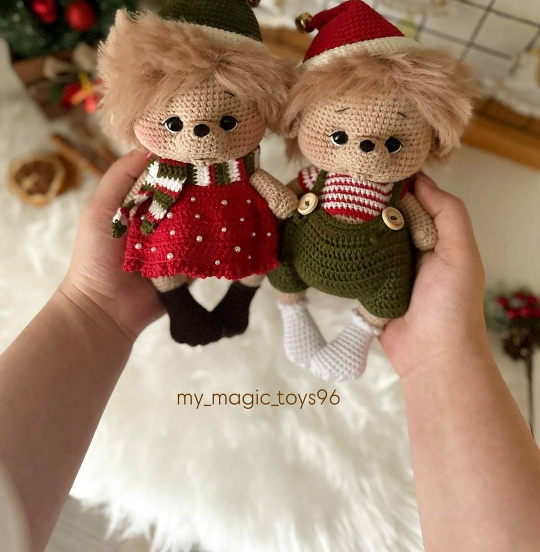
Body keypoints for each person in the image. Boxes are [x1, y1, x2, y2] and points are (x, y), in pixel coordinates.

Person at [0, 151, 539, 551]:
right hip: (204, 240)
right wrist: (99, 291)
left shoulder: (301, 177)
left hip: (283, 242)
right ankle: (263, 309)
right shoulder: (174, 173)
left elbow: (282, 200)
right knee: (273, 263)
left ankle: (340, 325)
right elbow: (274, 197)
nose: (366, 151)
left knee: (268, 254)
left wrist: (93, 307)